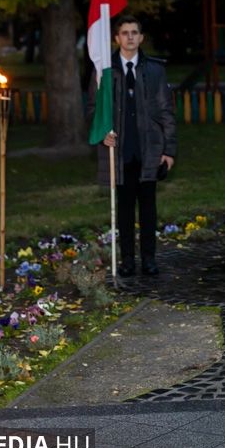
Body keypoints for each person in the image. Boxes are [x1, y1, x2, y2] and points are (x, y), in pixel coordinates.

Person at [87, 15, 177, 277]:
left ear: (141, 38)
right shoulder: (104, 70)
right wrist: (102, 134)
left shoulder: (155, 70)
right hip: (120, 151)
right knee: (124, 209)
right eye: (124, 33)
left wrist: (169, 150)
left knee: (148, 208)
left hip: (149, 150)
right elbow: (93, 109)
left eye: (134, 32)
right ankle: (127, 260)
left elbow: (166, 112)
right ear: (116, 38)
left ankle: (149, 259)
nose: (129, 37)